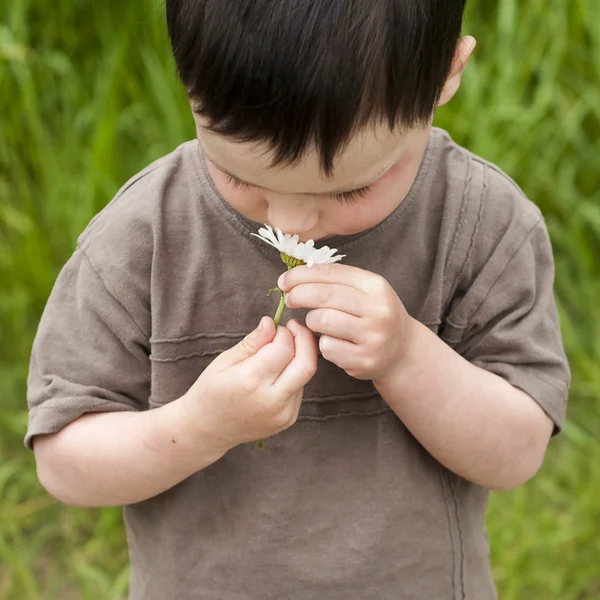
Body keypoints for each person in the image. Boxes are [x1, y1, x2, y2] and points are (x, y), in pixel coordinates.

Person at [26, 0, 570, 598]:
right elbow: (64, 462)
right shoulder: (142, 238)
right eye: (240, 178)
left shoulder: (480, 223)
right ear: (188, 83)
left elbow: (516, 455)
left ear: (446, 74)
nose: (292, 222)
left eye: (351, 189)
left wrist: (409, 358)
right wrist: (200, 426)